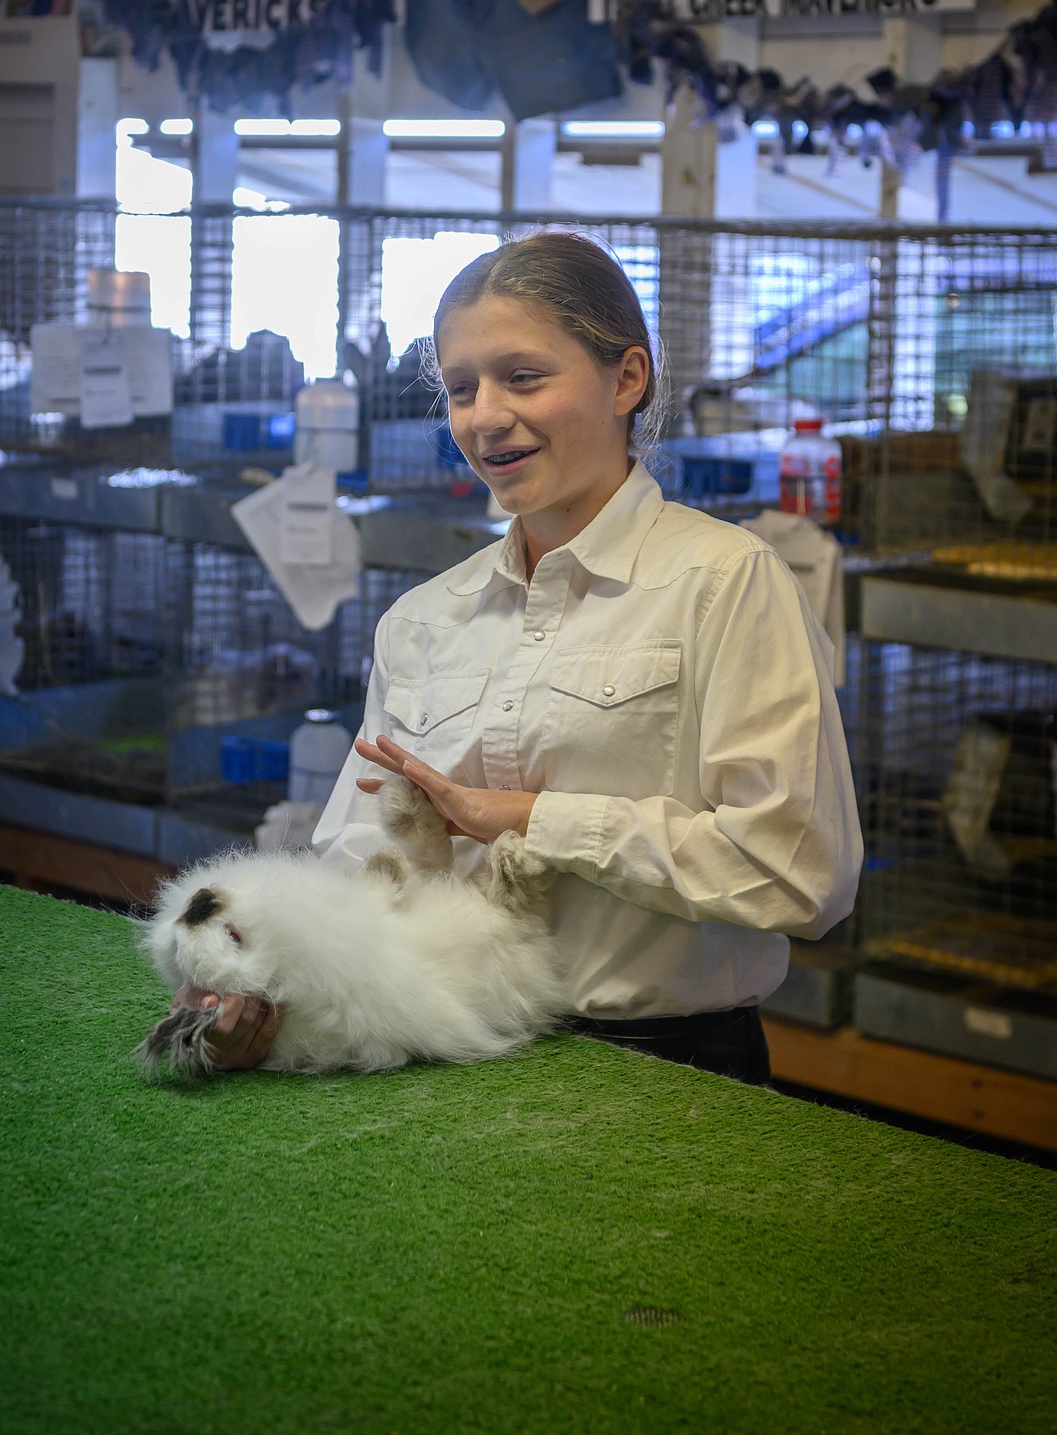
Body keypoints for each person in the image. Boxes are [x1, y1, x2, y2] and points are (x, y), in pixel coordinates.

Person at [183, 233, 864, 1081]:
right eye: (461, 387)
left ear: (627, 379)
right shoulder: (424, 619)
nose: (485, 415)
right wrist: (263, 975)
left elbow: (801, 871)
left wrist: (533, 818)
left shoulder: (725, 584)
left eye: (523, 377)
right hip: (444, 1049)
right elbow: (363, 869)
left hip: (667, 1067)